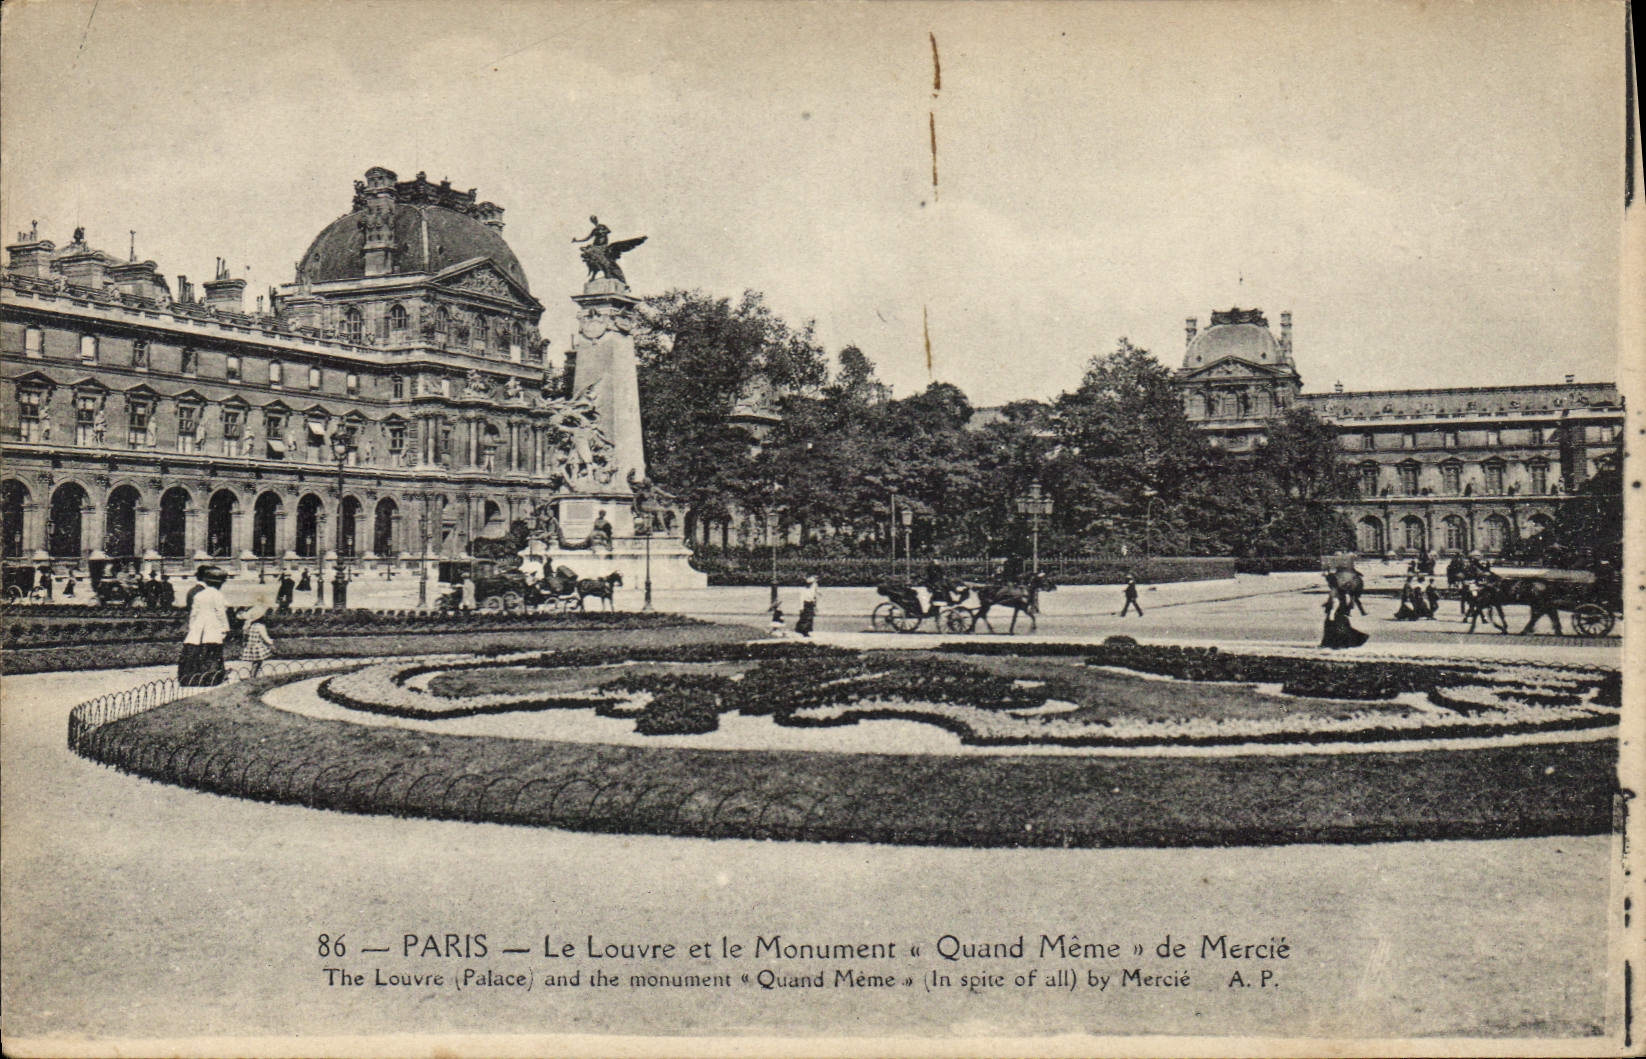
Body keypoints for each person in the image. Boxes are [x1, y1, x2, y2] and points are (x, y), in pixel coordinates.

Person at [179, 565, 231, 686]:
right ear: (219, 584)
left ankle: (191, 678)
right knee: (212, 651)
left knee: (195, 651)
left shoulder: (199, 595)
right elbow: (220, 613)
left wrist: (193, 628)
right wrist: (225, 628)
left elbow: (193, 614)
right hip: (212, 625)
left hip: (198, 625)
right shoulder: (217, 595)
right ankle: (211, 678)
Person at [238, 604, 275, 678]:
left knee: (255, 663)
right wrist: (271, 642)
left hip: (251, 646)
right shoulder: (260, 626)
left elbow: (246, 636)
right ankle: (253, 676)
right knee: (258, 663)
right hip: (257, 647)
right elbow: (265, 637)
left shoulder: (249, 625)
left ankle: (253, 675)